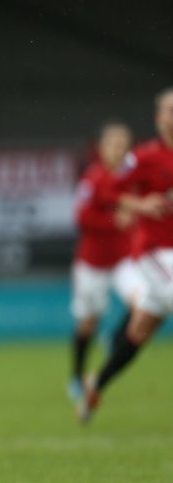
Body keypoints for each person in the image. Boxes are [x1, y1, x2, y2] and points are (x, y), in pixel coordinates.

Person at [79, 88, 173, 421]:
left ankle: (96, 383)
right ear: (159, 118)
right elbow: (110, 188)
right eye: (170, 111)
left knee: (140, 332)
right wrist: (141, 204)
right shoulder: (144, 157)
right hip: (152, 252)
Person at [67, 122, 140, 402]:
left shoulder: (132, 179)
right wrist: (115, 221)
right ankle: (76, 376)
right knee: (87, 323)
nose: (118, 151)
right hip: (92, 263)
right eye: (113, 145)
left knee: (143, 302)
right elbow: (81, 218)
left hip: (123, 260)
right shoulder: (93, 178)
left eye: (123, 145)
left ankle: (114, 340)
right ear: (102, 148)